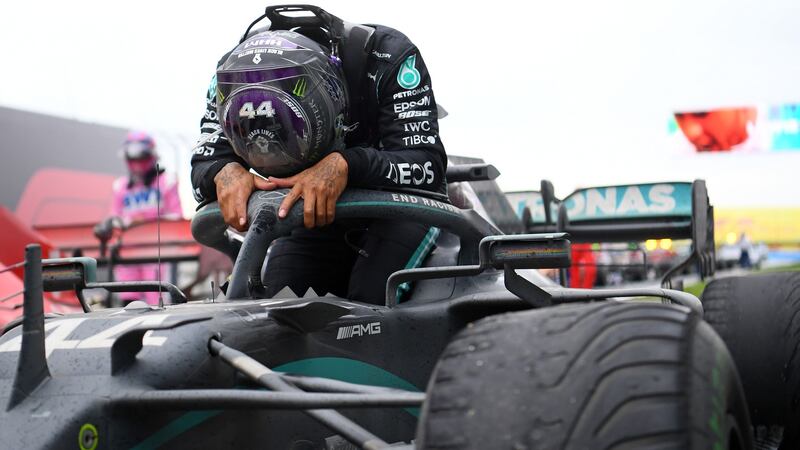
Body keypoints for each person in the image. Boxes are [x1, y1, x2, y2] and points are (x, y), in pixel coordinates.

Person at [190, 5, 446, 302]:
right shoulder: (234, 75)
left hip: (401, 209)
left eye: (287, 129)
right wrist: (223, 171)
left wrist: (345, 165)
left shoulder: (387, 58)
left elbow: (427, 165)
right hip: (311, 217)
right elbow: (204, 162)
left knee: (372, 301)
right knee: (272, 308)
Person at [96, 131, 183, 305]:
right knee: (128, 301)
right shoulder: (120, 186)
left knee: (157, 302)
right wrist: (126, 223)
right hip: (127, 253)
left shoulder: (167, 181)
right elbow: (114, 218)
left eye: (141, 156)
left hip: (158, 252)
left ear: (151, 155)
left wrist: (145, 221)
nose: (136, 162)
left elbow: (176, 218)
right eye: (132, 157)